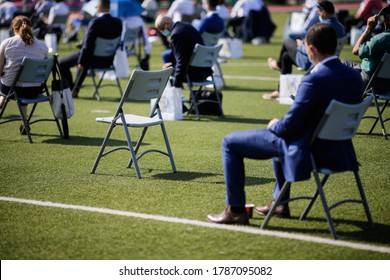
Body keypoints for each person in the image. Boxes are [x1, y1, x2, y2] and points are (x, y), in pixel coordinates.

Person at [207, 23, 364, 225]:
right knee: (280, 135)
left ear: (311, 49)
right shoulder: (354, 75)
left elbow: (288, 128)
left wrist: (274, 124)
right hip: (340, 148)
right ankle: (279, 203)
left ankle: (236, 211)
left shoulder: (313, 79)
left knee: (230, 142)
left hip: (309, 147)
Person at [263, 1, 345, 100]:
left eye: (318, 12)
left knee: (287, 41)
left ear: (323, 12)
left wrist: (301, 45)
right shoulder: (341, 27)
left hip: (312, 61)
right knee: (286, 57)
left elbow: (311, 50)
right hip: (331, 59)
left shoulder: (321, 29)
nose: (318, 15)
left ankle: (279, 66)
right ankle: (280, 89)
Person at [58, 0, 122, 98]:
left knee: (62, 63)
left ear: (99, 7)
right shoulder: (118, 22)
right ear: (109, 7)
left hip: (93, 59)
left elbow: (87, 45)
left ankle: (72, 89)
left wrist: (81, 62)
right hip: (108, 60)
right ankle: (75, 88)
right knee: (85, 57)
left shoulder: (96, 22)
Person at [0, 15, 48, 134]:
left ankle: (2, 98)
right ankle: (24, 121)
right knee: (23, 81)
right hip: (35, 90)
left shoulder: (6, 43)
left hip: (10, 89)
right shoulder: (43, 46)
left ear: (13, 28)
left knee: (11, 81)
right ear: (31, 27)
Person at [155, 14, 212, 89]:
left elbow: (181, 62)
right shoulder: (186, 25)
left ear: (167, 23)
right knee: (169, 66)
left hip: (194, 74)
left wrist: (176, 84)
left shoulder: (176, 35)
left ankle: (174, 98)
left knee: (165, 71)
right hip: (204, 70)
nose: (163, 32)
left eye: (162, 29)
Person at [344, 5, 390, 90]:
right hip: (387, 84)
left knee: (339, 64)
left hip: (372, 81)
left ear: (387, 21)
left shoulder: (381, 39)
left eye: (385, 18)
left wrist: (368, 29)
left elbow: (355, 50)